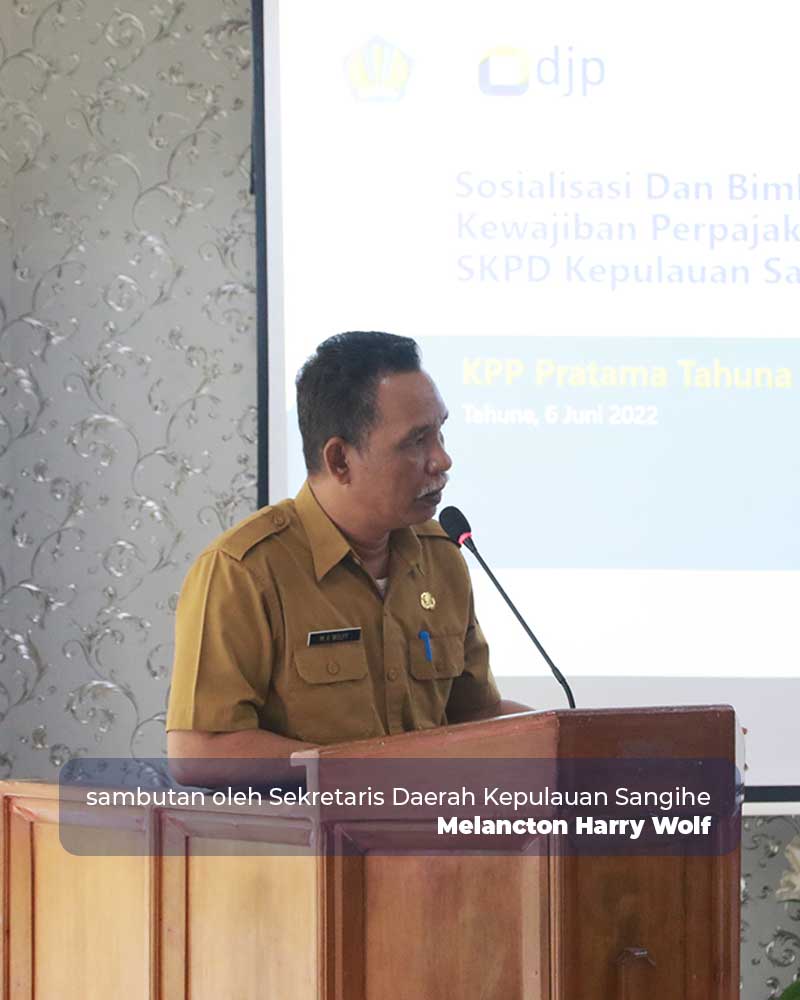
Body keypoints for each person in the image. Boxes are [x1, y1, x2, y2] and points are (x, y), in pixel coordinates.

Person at [166, 332, 528, 786]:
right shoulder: (244, 570)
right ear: (339, 460)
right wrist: (365, 775)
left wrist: (575, 741)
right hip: (312, 831)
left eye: (440, 433)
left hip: (435, 828)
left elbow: (474, 716)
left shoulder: (441, 556)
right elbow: (200, 751)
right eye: (417, 441)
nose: (442, 459)